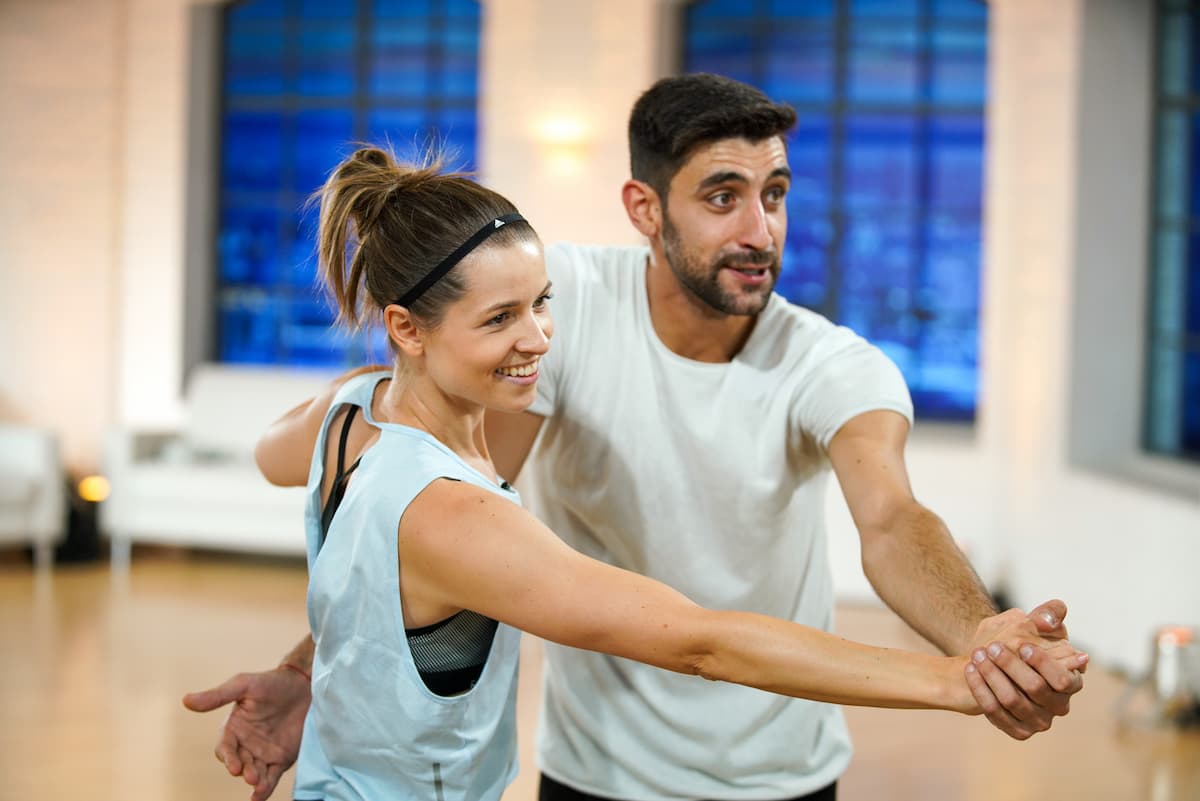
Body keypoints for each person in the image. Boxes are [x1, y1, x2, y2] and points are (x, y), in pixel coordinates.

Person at [184, 75, 1089, 801]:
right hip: (598, 770)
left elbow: (890, 518)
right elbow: (695, 638)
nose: (759, 228)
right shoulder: (485, 446)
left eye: (774, 193)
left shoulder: (359, 414)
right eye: (723, 196)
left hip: (776, 775)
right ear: (645, 208)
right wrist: (956, 682)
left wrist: (980, 632)